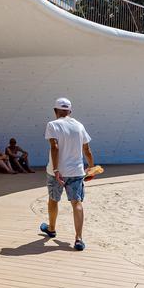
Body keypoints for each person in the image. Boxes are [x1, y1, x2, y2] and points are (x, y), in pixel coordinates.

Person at [39, 97, 94, 251]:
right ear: (70, 111)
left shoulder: (52, 125)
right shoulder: (79, 126)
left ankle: (51, 228)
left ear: (55, 111)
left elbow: (54, 147)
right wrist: (91, 167)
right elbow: (87, 150)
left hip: (56, 171)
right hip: (76, 171)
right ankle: (78, 238)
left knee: (53, 200)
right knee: (77, 203)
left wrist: (56, 170)